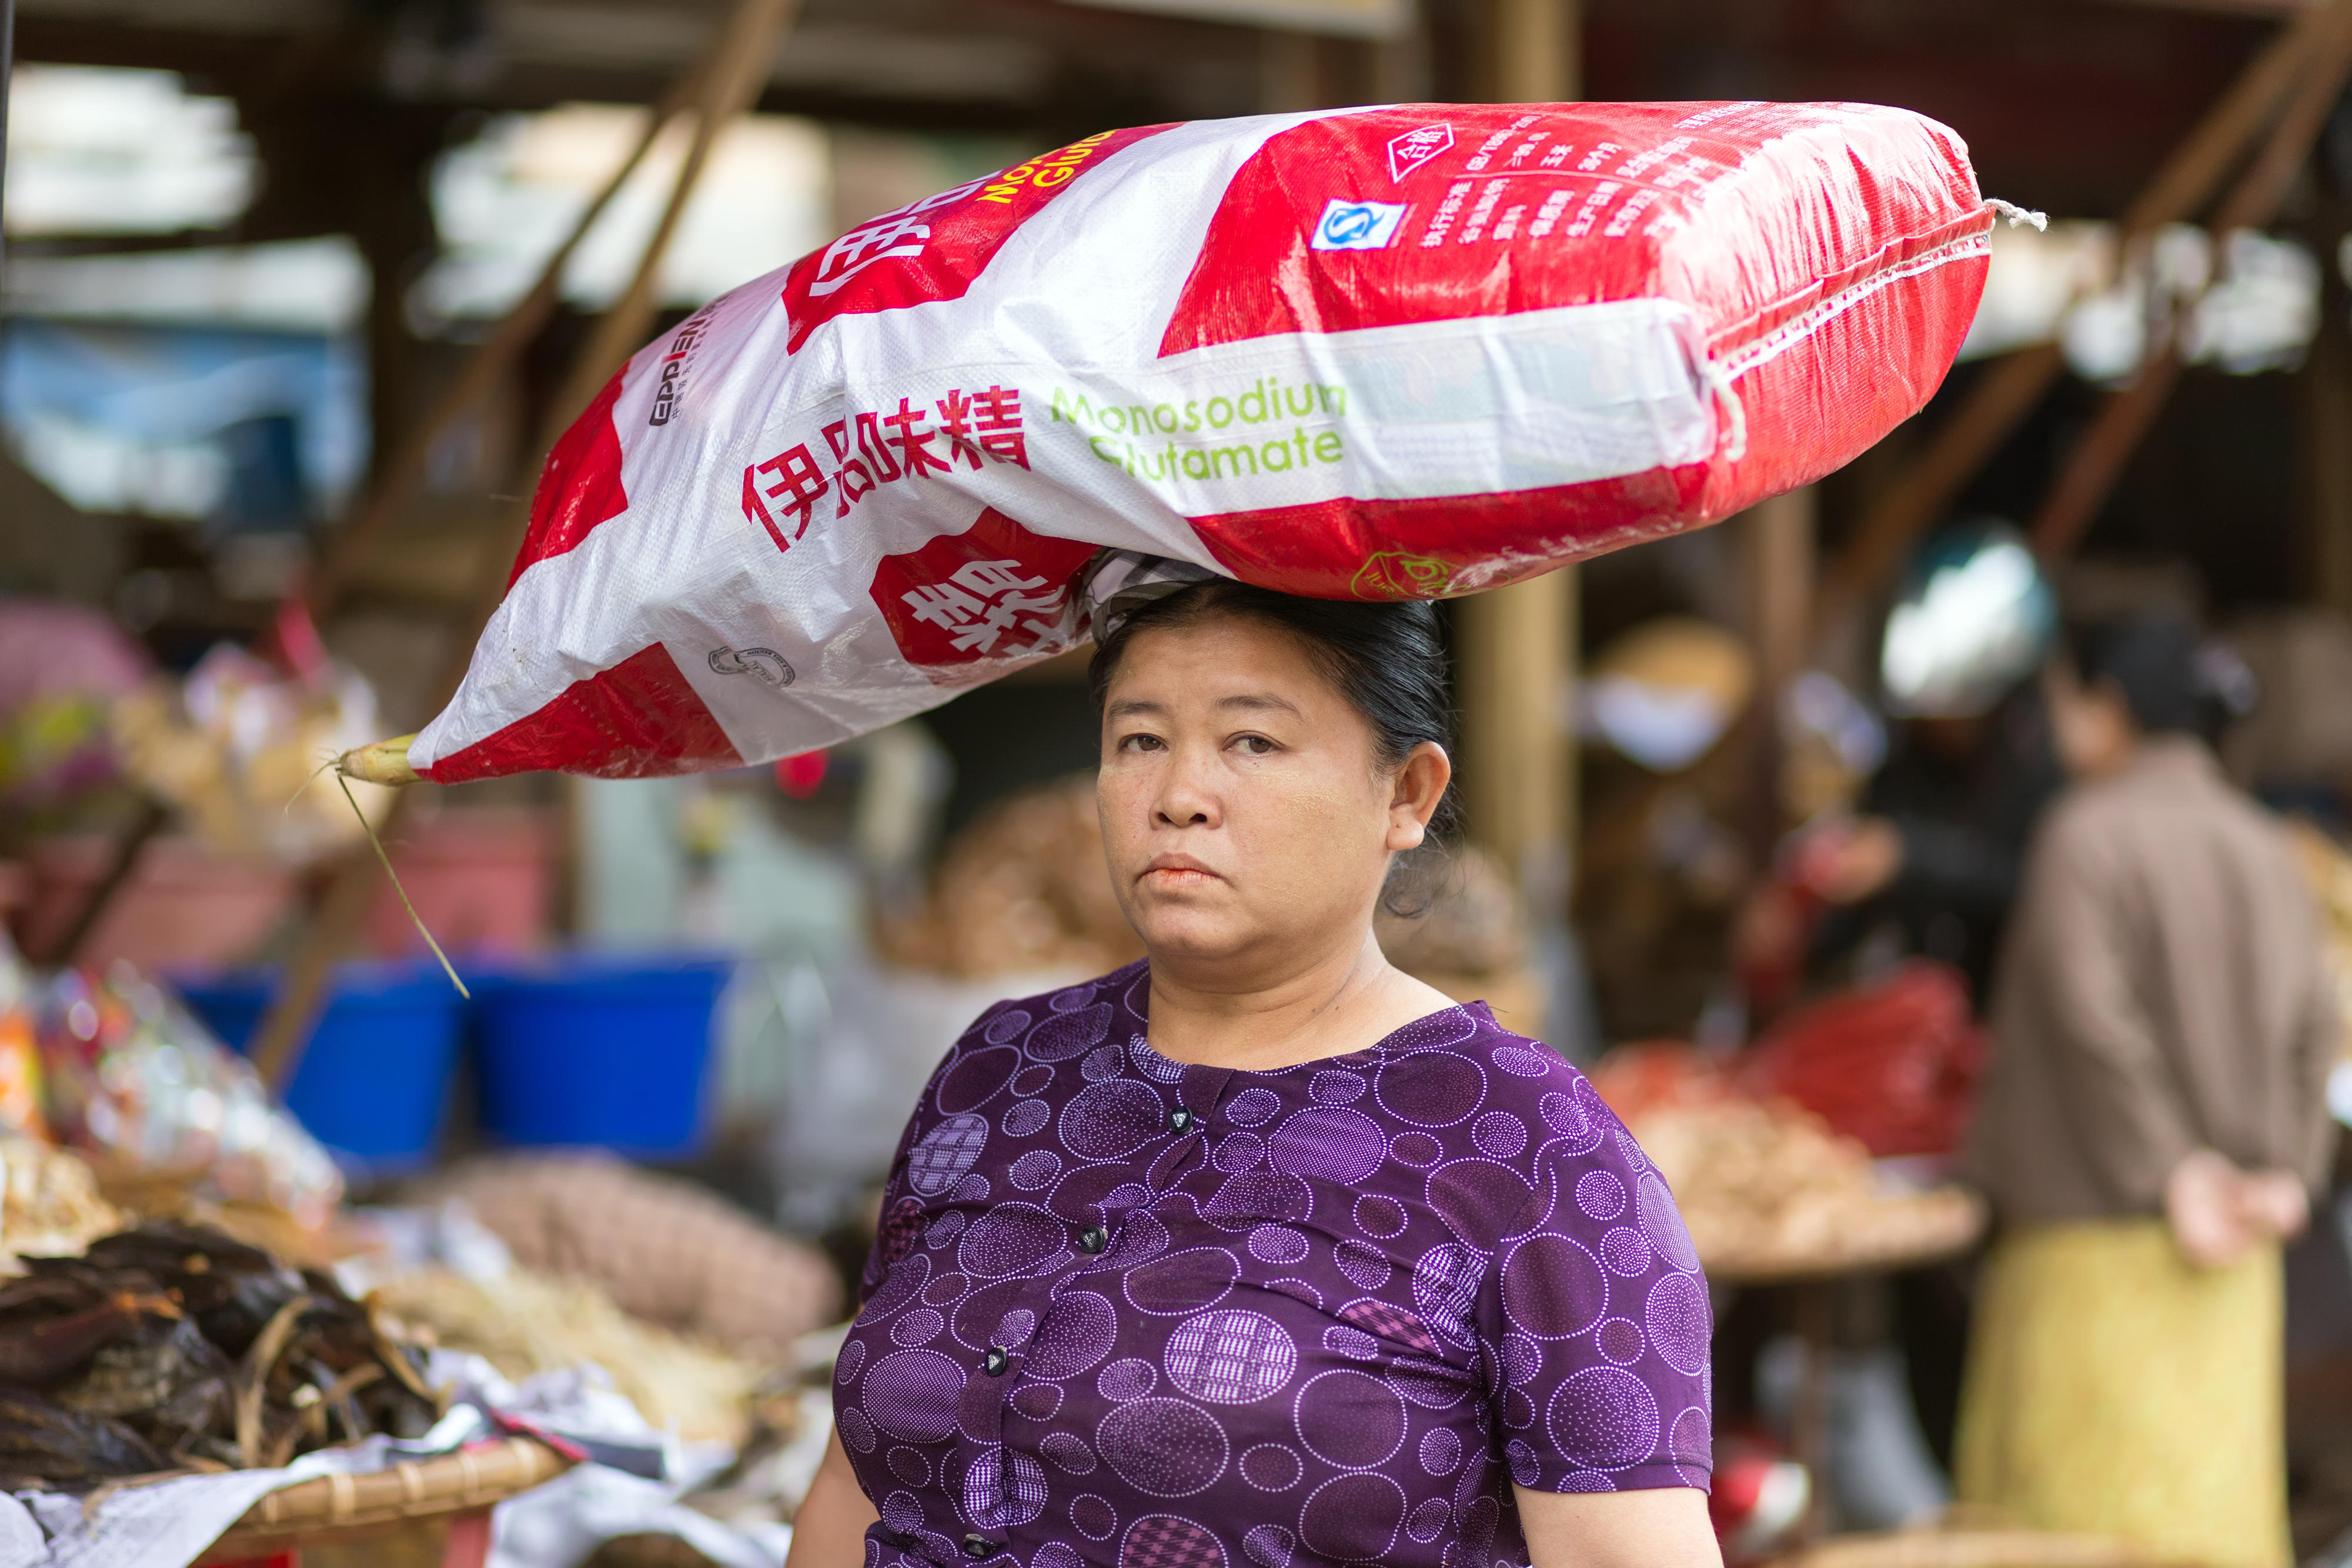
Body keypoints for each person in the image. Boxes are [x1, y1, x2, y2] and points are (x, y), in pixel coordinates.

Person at [786, 561, 1721, 1568]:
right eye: (1140, 739)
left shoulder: (1534, 1150)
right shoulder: (1001, 1070)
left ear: (1407, 794)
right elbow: (852, 1488)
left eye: (1253, 742)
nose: (1179, 795)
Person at [1955, 611, 2339, 1568]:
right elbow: (2322, 1025)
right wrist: (2290, 1171)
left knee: (2071, 1531)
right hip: (2239, 1252)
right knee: (2215, 1525)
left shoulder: (2082, 836)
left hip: (2097, 1248)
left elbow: (2093, 1024)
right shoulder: (2266, 844)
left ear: (2107, 709)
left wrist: (2174, 1172)